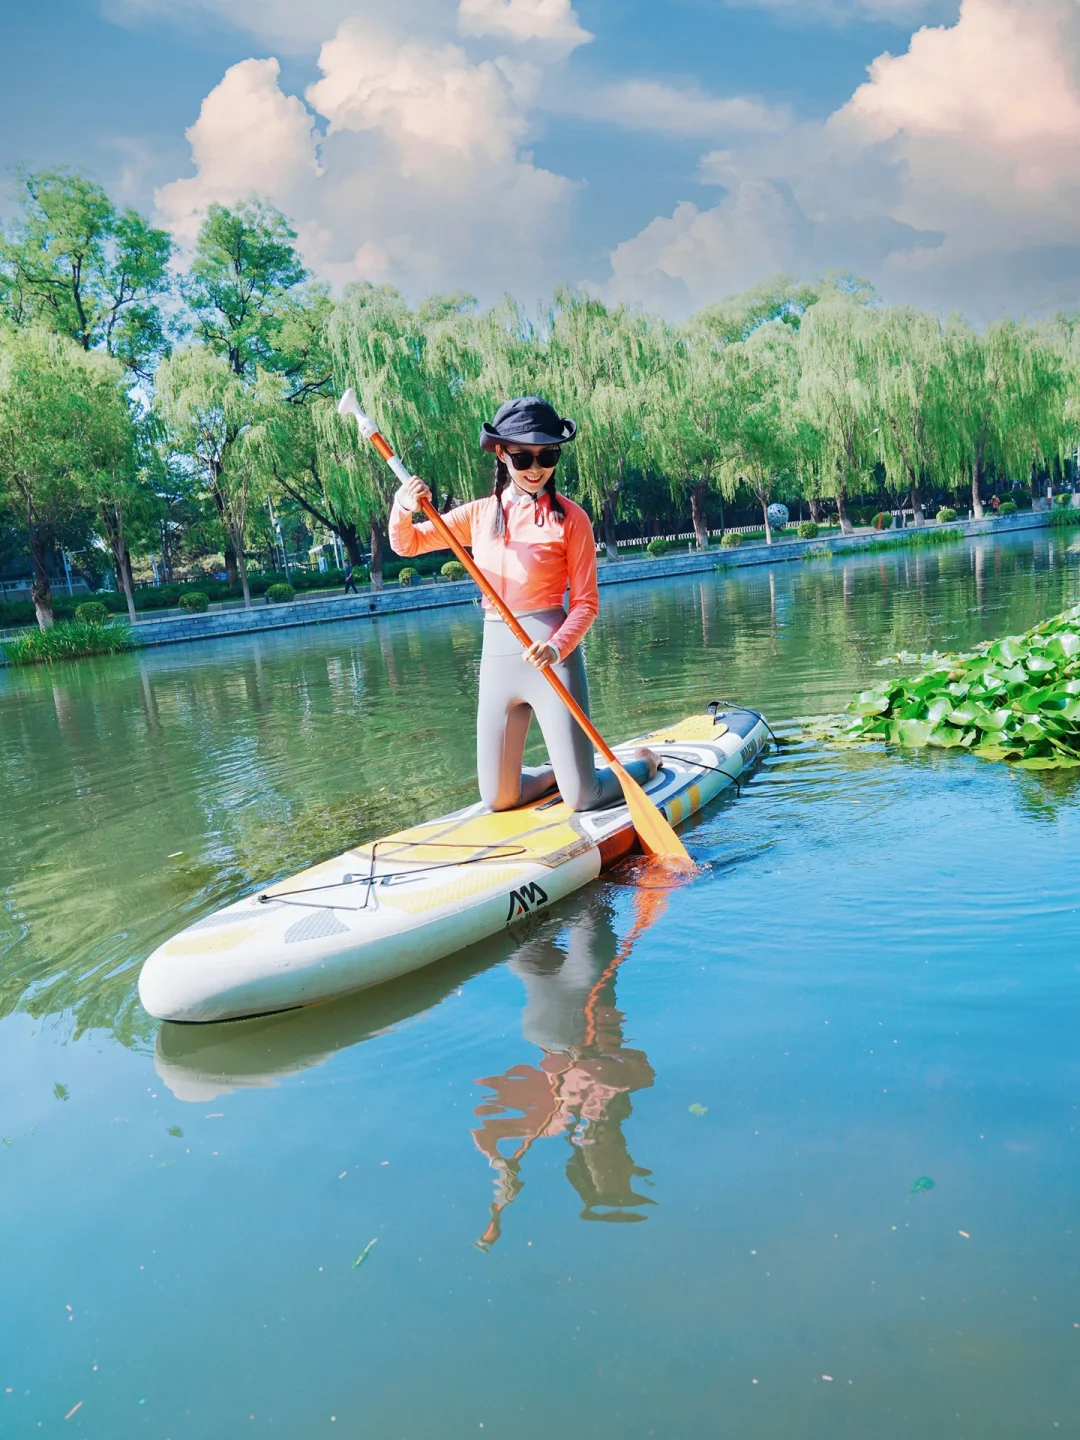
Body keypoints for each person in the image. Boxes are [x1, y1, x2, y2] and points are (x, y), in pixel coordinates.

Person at [389, 395, 659, 812]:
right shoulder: (478, 516)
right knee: (498, 798)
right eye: (523, 458)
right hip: (498, 656)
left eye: (547, 455)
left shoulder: (572, 519)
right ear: (501, 454)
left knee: (585, 798)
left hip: (551, 656)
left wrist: (556, 646)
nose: (536, 469)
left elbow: (586, 603)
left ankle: (643, 763)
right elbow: (407, 544)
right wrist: (403, 507)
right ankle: (560, 772)